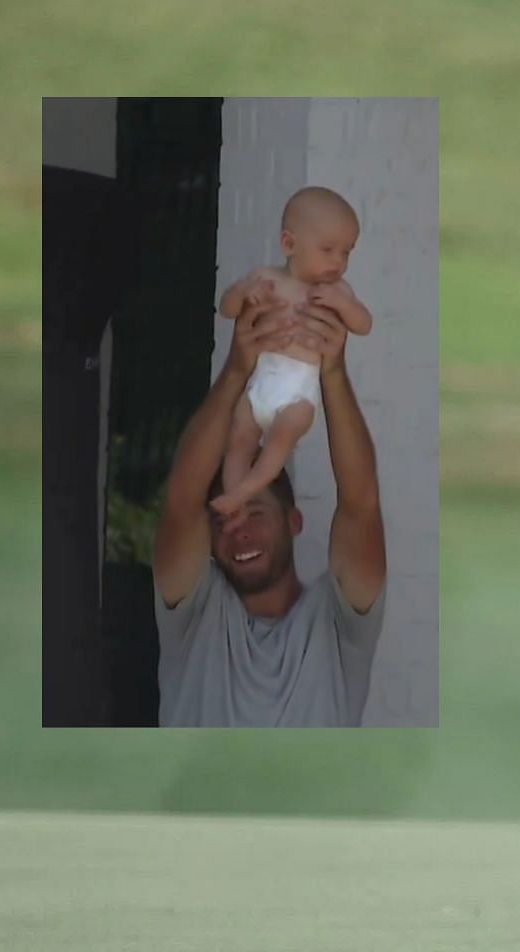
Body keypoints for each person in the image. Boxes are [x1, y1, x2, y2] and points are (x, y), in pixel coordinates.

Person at [151, 286, 387, 727]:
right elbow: (182, 499)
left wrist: (332, 372)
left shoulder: (340, 624)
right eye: (223, 519)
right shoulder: (192, 612)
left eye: (255, 513)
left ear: (293, 520)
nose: (237, 531)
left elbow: (361, 504)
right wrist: (239, 367)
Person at [212, 186, 373, 521]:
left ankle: (247, 490)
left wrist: (345, 305)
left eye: (347, 252)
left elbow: (364, 324)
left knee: (281, 439)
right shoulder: (266, 279)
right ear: (289, 244)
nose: (339, 262)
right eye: (328, 250)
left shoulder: (336, 291)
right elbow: (227, 308)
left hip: (298, 391)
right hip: (261, 381)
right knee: (238, 439)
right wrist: (243, 291)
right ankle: (234, 502)